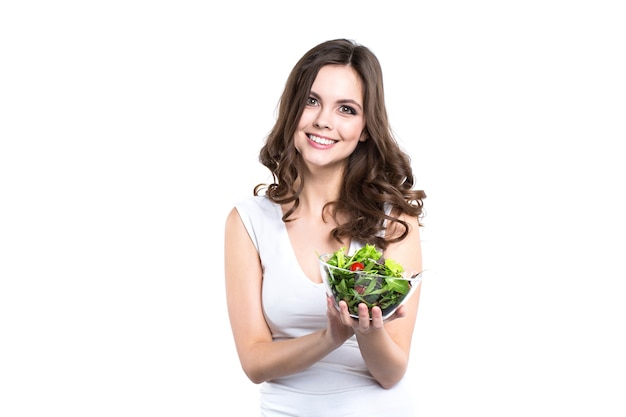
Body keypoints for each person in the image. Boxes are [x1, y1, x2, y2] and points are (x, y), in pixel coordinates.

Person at [224, 38, 426, 416]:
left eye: (346, 109)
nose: (323, 121)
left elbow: (391, 372)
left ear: (366, 128)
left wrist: (367, 331)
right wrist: (332, 336)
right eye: (312, 101)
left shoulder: (394, 221)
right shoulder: (248, 221)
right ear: (292, 108)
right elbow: (253, 361)